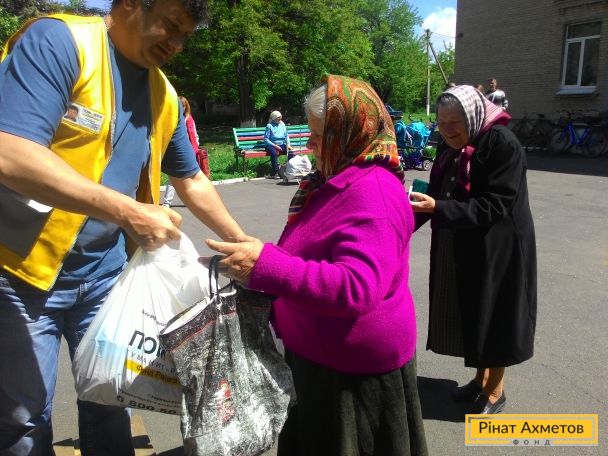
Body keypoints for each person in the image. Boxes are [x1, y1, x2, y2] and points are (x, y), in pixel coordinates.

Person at [0, 1, 245, 454]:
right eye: (170, 26)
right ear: (130, 4)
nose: (177, 44)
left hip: (105, 276)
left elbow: (190, 179)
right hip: (19, 273)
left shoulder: (162, 93)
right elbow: (10, 151)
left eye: (185, 35)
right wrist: (129, 212)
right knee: (24, 419)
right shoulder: (60, 43)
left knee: (113, 398)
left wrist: (241, 241)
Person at [206, 74, 428, 456]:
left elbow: (356, 288)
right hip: (320, 360)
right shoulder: (338, 176)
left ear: (350, 132)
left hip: (352, 379)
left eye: (319, 134)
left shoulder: (374, 192)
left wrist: (265, 265)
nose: (309, 143)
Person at [410, 85, 537, 415]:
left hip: (500, 247)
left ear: (472, 117)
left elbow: (496, 204)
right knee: (475, 312)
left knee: (494, 314)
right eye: (441, 123)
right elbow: (436, 188)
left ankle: (496, 389)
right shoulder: (452, 146)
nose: (447, 130)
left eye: (454, 123)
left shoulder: (501, 143)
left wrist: (439, 207)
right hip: (466, 239)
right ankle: (480, 380)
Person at [163, 95, 200, 207]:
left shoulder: (189, 119)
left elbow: (195, 134)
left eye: (183, 106)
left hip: (190, 152)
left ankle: (193, 201)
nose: (181, 108)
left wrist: (196, 147)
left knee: (192, 179)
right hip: (176, 152)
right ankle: (167, 202)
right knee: (172, 178)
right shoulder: (171, 119)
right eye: (179, 105)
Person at [264, 110, 292, 178]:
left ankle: (288, 169)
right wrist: (275, 146)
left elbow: (286, 136)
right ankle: (275, 171)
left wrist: (288, 144)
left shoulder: (282, 125)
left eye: (280, 117)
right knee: (273, 153)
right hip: (271, 145)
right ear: (274, 118)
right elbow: (266, 139)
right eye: (278, 117)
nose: (280, 119)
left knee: (291, 152)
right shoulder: (269, 126)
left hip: (281, 144)